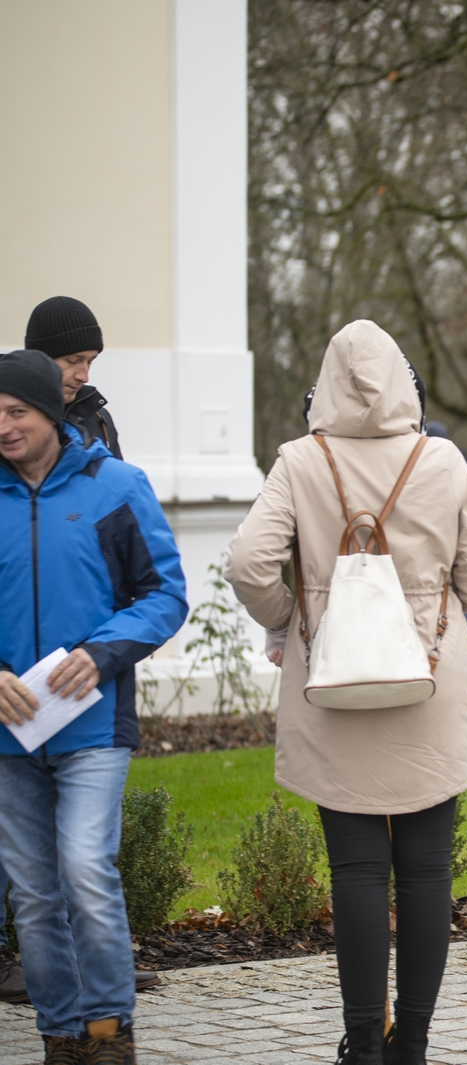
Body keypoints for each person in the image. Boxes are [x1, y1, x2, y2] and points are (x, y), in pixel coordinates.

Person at [224, 320, 467, 1065]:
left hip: (334, 680)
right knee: (427, 871)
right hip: (427, 679)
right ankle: (410, 1042)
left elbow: (248, 564)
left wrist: (295, 616)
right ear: (405, 384)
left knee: (355, 870)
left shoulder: (300, 460)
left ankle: (363, 1044)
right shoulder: (441, 459)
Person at [0, 349, 188, 1061]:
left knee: (84, 867)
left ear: (50, 412)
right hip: (9, 735)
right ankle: (61, 1034)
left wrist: (103, 652)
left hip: (93, 725)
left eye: (16, 411)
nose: (4, 426)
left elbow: (164, 594)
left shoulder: (116, 486)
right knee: (32, 891)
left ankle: (110, 1029)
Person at [424, 420, 467, 691]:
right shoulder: (459, 459)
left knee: (442, 600)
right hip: (462, 539)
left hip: (440, 542)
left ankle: (445, 662)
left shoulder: (422, 461)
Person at [25, 296, 120, 458]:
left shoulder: (99, 419)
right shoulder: (8, 421)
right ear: (39, 359)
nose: (84, 377)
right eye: (72, 361)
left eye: (90, 362)